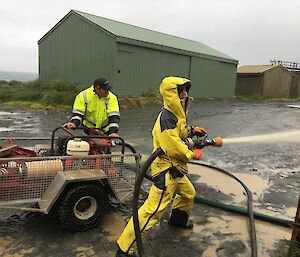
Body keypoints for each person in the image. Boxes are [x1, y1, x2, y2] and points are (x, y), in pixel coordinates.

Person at [116, 76, 206, 257]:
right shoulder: (167, 117)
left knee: (188, 193)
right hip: (166, 170)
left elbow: (179, 132)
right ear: (172, 93)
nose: (185, 94)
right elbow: (173, 146)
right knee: (152, 211)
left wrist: (191, 130)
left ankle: (178, 221)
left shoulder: (175, 115)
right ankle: (125, 250)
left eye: (186, 90)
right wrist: (191, 154)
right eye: (181, 91)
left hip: (175, 168)